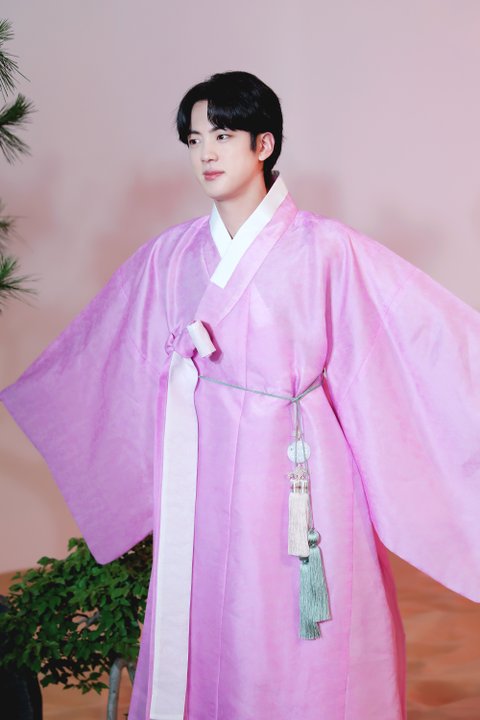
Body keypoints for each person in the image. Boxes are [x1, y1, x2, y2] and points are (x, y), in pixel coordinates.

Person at [2, 70, 480, 720]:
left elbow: (408, 333)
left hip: (300, 477)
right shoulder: (172, 256)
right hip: (201, 474)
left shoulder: (327, 250)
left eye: (222, 135)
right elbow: (111, 345)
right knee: (214, 620)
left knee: (297, 635)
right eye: (194, 139)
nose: (205, 152)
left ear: (264, 144)